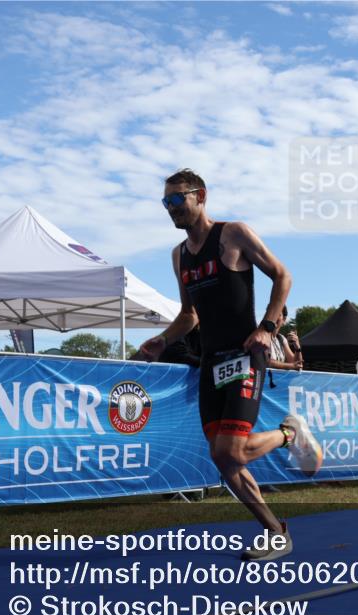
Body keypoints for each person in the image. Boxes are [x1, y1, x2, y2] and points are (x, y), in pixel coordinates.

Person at [135, 169, 320, 561]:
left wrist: (268, 327)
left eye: (176, 200)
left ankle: (290, 434)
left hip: (244, 356)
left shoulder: (233, 234)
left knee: (232, 452)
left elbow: (282, 275)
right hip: (210, 363)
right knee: (222, 457)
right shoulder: (179, 255)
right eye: (164, 203)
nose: (170, 209)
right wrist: (163, 340)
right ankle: (276, 532)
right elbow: (189, 315)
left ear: (199, 196)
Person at [267, 305, 303, 372]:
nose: (274, 317)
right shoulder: (264, 337)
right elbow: (266, 361)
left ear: (284, 319)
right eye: (272, 314)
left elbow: (297, 364)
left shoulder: (281, 338)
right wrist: (290, 366)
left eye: (278, 314)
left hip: (278, 380)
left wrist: (297, 347)